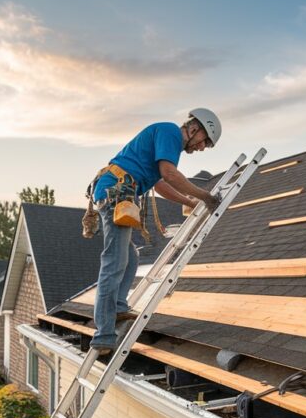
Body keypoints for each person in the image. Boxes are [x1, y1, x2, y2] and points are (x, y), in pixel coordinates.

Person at [89, 108, 223, 354]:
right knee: (114, 263)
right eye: (204, 141)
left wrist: (190, 201)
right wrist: (206, 196)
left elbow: (159, 184)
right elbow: (169, 174)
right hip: (116, 193)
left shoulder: (166, 143)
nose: (202, 148)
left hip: (117, 192)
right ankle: (103, 336)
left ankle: (118, 308)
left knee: (130, 258)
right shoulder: (170, 132)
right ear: (194, 128)